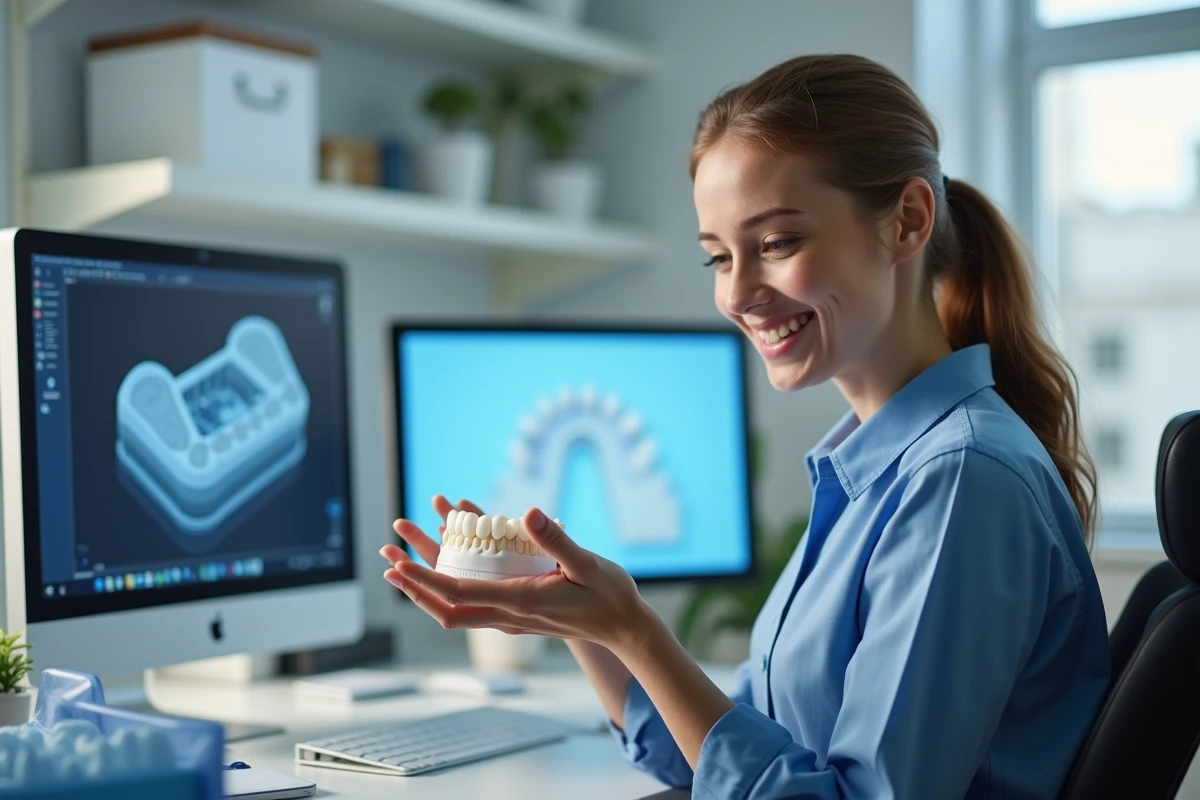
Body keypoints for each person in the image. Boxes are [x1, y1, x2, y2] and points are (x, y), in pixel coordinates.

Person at [378, 53, 1110, 799]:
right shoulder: (868, 475)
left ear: (908, 222)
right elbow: (723, 761)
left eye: (777, 244)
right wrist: (579, 620)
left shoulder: (959, 481)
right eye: (718, 258)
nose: (738, 293)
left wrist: (637, 630)